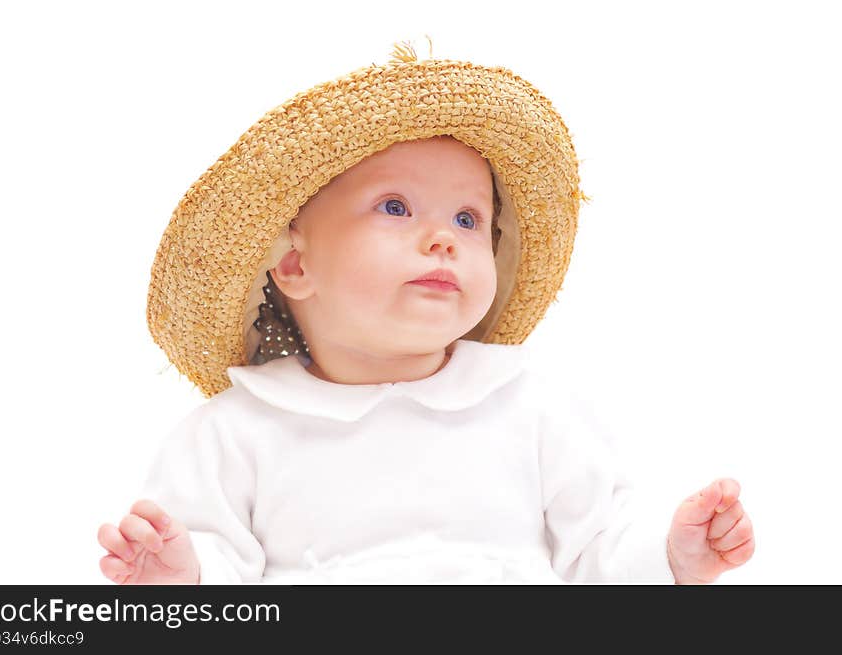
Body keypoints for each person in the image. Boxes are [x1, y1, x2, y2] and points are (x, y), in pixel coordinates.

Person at [97, 44, 754, 584]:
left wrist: (670, 557)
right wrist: (179, 580)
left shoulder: (530, 406)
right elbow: (217, 561)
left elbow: (596, 547)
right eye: (395, 207)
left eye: (468, 219)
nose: (444, 238)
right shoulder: (235, 432)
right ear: (295, 266)